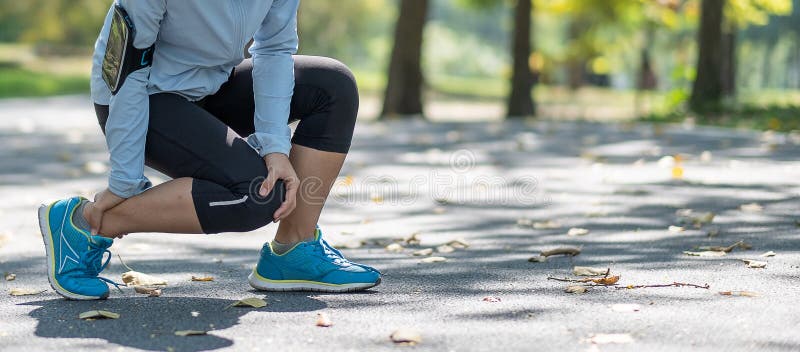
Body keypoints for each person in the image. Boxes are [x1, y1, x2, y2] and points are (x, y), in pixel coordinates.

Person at [37, 0, 380, 300]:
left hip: (212, 85)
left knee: (333, 85)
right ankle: (83, 224)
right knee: (256, 194)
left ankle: (294, 249)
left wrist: (274, 146)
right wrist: (124, 181)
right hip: (141, 98)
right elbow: (128, 71)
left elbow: (274, 50)